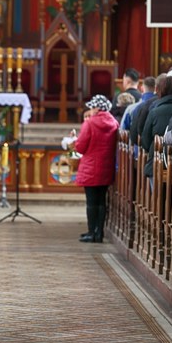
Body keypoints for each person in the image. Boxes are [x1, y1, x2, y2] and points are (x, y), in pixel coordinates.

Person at [72, 95, 119, 243]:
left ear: (98, 108)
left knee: (91, 202)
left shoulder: (90, 123)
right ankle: (99, 233)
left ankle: (91, 232)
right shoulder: (114, 123)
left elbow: (80, 147)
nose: (90, 110)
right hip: (106, 167)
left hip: (91, 167)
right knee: (102, 202)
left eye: (92, 108)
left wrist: (75, 140)